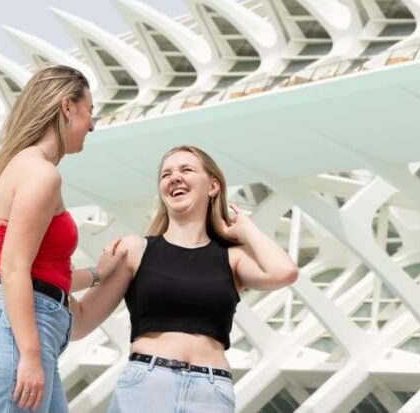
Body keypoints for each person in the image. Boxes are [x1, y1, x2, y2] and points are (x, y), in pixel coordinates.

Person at [72, 145, 299, 412]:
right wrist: (49, 270)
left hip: (211, 391)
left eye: (186, 170)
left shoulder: (232, 258)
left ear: (213, 186)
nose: (175, 178)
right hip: (148, 384)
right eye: (166, 174)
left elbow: (284, 272)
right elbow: (80, 323)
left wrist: (246, 229)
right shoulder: (136, 250)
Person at [0, 65, 127, 413]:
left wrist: (98, 273)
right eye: (89, 111)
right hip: (17, 339)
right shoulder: (40, 173)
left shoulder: (28, 167)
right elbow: (13, 266)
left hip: (26, 335)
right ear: (67, 107)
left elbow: (42, 272)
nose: (92, 124)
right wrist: (31, 357)